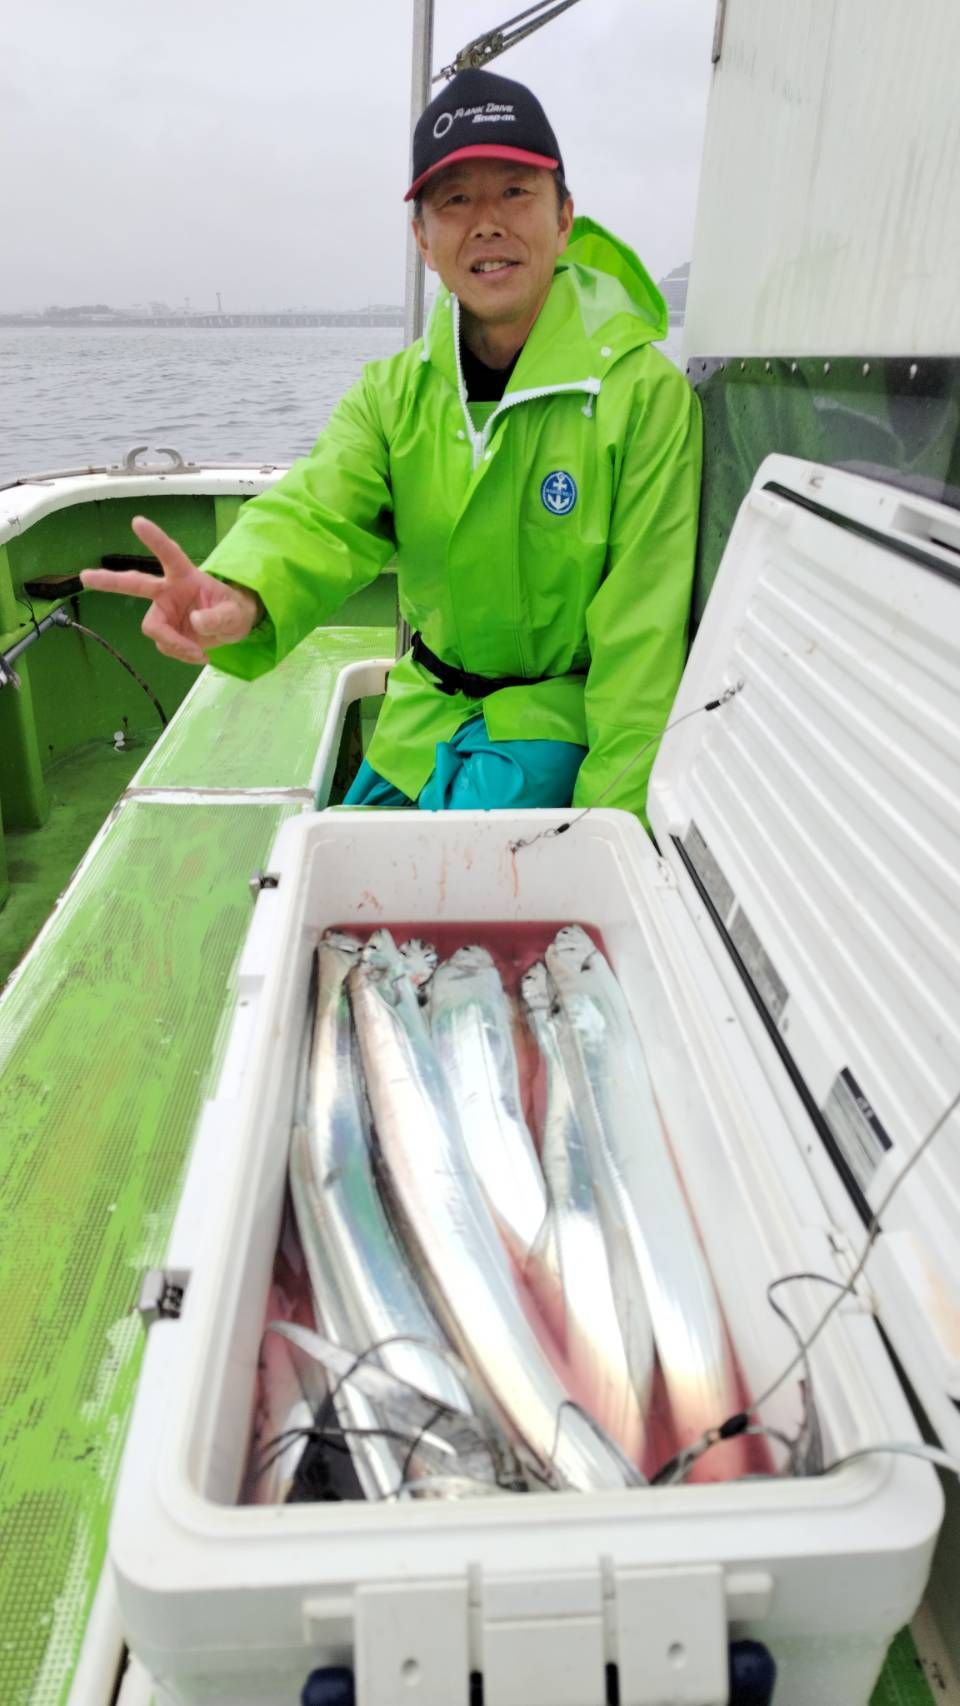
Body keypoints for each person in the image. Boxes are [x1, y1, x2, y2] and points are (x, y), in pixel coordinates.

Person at [81, 68, 701, 825]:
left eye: (515, 191)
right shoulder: (391, 394)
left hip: (554, 729)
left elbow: (642, 640)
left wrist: (611, 829)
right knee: (339, 849)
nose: (487, 223)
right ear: (423, 239)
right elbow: (318, 512)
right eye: (455, 200)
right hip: (422, 718)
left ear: (565, 217)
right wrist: (240, 591)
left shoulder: (644, 397)